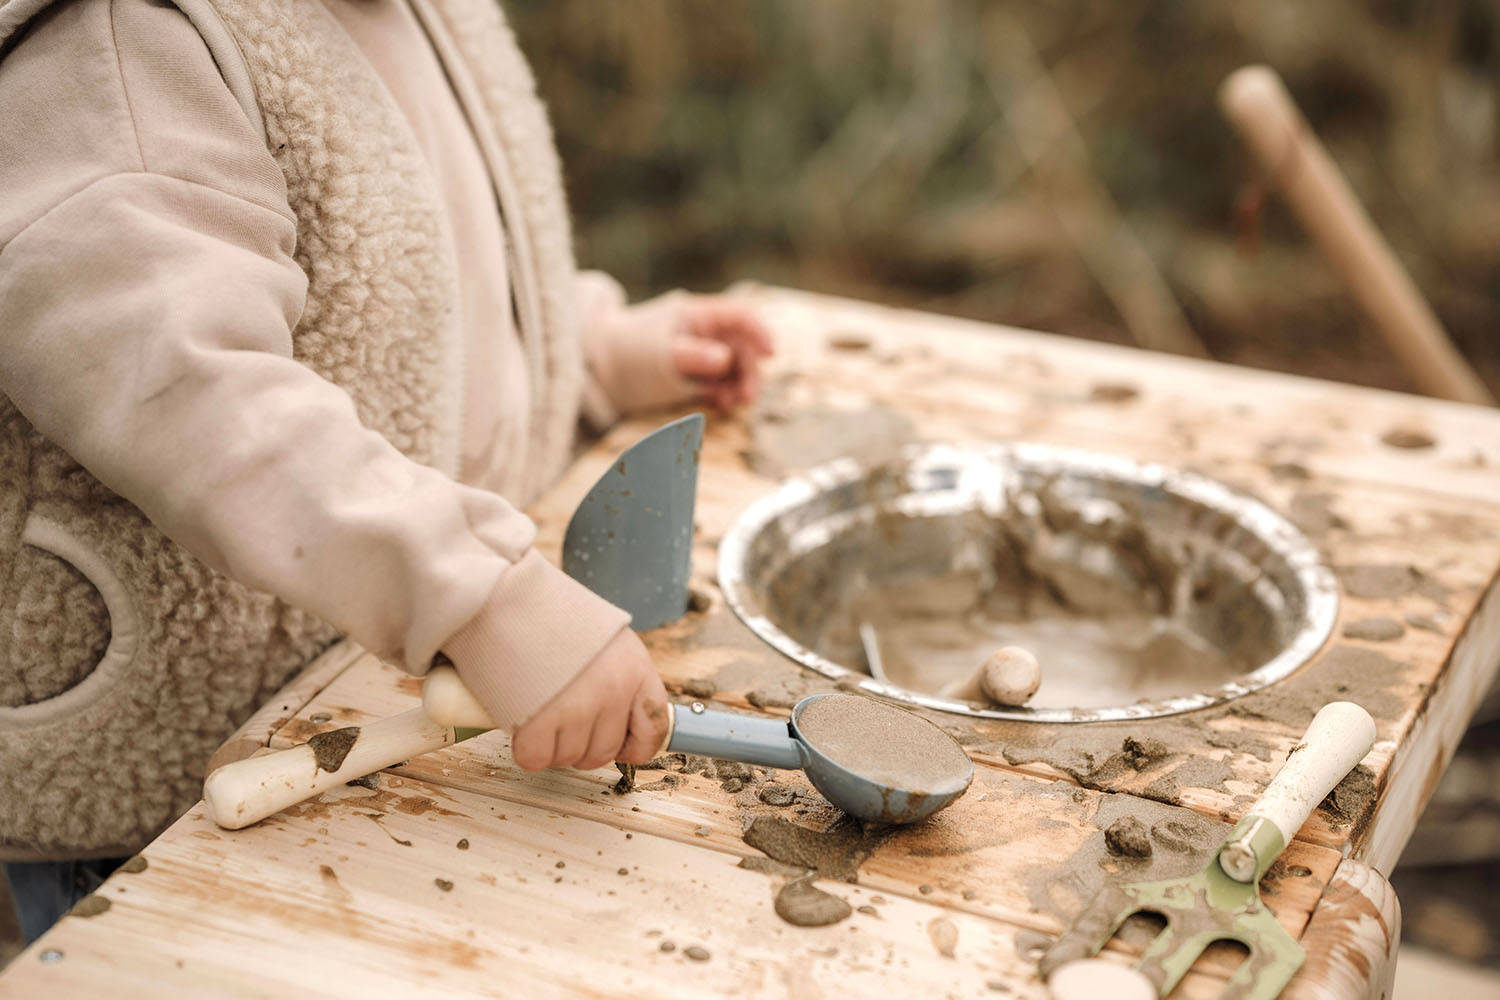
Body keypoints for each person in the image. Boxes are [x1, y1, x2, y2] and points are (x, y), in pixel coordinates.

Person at [0, 0, 772, 942]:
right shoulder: (125, 45)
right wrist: (482, 598)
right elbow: (190, 394)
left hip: (388, 700)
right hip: (177, 781)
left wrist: (589, 355)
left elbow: (419, 274)